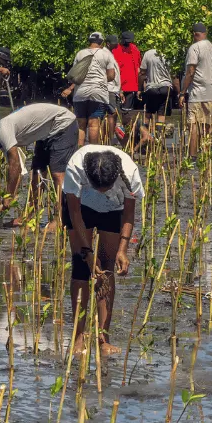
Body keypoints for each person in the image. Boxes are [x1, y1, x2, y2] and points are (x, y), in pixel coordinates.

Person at [60, 144, 144, 351]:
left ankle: (103, 338)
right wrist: (87, 252)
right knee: (81, 266)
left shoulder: (129, 172)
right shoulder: (75, 167)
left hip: (113, 210)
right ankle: (79, 336)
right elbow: (74, 213)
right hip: (81, 209)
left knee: (106, 268)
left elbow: (128, 214)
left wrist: (122, 250)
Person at [0, 102, 78, 225]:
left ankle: (61, 219)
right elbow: (18, 172)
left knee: (57, 175)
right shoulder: (3, 140)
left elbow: (15, 166)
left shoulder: (3, 129)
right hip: (46, 134)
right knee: (37, 175)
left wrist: (8, 197)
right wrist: (8, 200)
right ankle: (29, 216)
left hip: (63, 125)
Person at [60, 32, 120, 144]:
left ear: (89, 41)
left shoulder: (80, 54)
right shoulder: (106, 55)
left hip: (80, 93)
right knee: (94, 124)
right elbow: (111, 76)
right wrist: (100, 79)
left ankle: (79, 150)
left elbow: (75, 75)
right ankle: (92, 151)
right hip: (98, 93)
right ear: (102, 42)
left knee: (81, 124)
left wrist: (70, 88)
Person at [180, 23, 212, 155]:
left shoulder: (194, 48)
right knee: (209, 126)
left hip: (198, 93)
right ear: (206, 33)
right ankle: (206, 155)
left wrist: (182, 92)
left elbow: (190, 72)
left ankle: (193, 156)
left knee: (194, 125)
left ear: (194, 34)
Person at [133, 44, 174, 150]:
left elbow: (142, 73)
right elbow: (173, 74)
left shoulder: (148, 53)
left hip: (152, 88)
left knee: (147, 115)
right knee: (161, 116)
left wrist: (139, 89)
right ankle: (159, 142)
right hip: (166, 88)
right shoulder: (169, 53)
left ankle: (146, 139)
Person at [111, 31, 142, 115]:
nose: (128, 43)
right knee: (115, 112)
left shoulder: (135, 49)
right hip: (117, 86)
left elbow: (139, 69)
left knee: (127, 112)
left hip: (131, 86)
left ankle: (126, 127)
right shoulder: (115, 50)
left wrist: (139, 88)